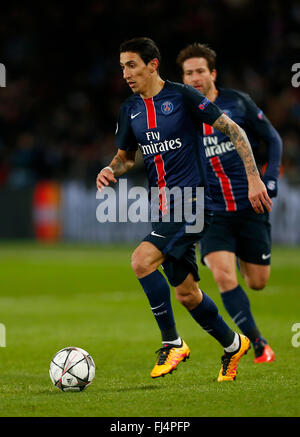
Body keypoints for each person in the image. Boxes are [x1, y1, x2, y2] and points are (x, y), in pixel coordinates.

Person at [96, 37, 272, 381]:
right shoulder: (129, 109)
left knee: (141, 260)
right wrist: (109, 169)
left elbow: (234, 130)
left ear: (152, 64)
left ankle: (172, 342)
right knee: (187, 293)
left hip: (193, 202)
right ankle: (233, 344)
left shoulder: (182, 96)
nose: (126, 74)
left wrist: (254, 179)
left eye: (132, 65)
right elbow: (125, 158)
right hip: (162, 206)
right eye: (122, 67)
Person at [176, 42, 282, 363]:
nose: (194, 77)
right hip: (213, 213)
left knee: (258, 282)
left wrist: (270, 178)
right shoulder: (181, 113)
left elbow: (273, 138)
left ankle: (235, 257)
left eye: (199, 71)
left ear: (212, 73)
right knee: (223, 276)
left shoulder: (237, 103)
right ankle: (258, 344)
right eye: (188, 73)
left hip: (250, 207)